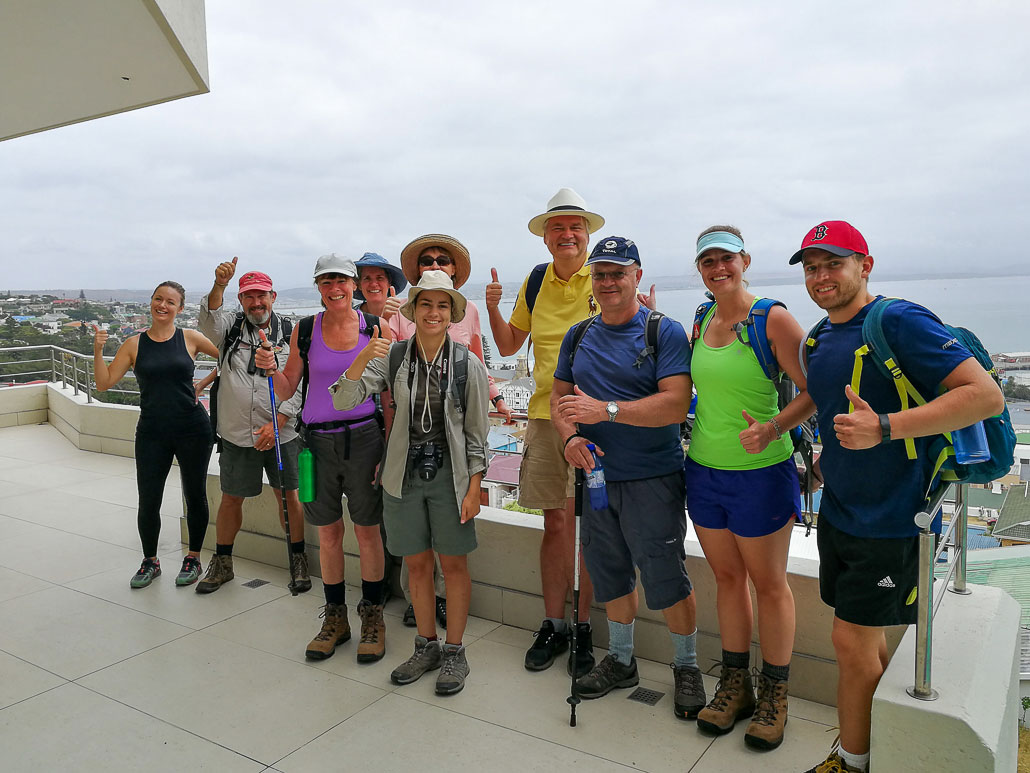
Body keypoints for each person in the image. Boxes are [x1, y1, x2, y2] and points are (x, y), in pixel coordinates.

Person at [791, 221, 1004, 773]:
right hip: (842, 510)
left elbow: (984, 395)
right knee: (862, 644)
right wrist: (814, 458)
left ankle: (851, 762)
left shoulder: (898, 321)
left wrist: (886, 427)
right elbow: (831, 407)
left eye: (833, 263)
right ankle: (875, 749)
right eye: (811, 267)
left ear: (865, 265)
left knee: (848, 641)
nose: (820, 276)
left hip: (892, 518)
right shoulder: (819, 336)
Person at [552, 236, 707, 718]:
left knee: (666, 576)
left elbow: (676, 404)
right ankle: (621, 661)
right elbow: (561, 401)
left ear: (637, 275)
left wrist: (607, 410)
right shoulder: (579, 335)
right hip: (596, 478)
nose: (609, 281)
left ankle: (687, 668)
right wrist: (569, 439)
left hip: (652, 478)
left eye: (618, 272)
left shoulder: (663, 331)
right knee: (610, 574)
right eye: (600, 274)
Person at [681, 226, 812, 750]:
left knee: (770, 584)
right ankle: (735, 686)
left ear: (745, 261)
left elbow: (815, 389)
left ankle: (775, 694)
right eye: (708, 261)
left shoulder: (772, 317)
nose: (718, 268)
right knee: (728, 579)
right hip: (704, 469)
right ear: (699, 268)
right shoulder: (702, 317)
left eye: (726, 259)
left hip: (761, 474)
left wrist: (773, 428)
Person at [332, 269, 489, 695]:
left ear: (452, 313)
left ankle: (455, 651)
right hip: (402, 475)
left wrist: (474, 487)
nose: (434, 312)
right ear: (414, 309)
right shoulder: (396, 357)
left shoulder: (466, 364)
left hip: (450, 477)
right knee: (417, 564)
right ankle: (427, 646)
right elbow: (343, 398)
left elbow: (477, 436)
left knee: (453, 566)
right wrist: (365, 355)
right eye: (426, 304)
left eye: (442, 305)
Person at [485, 187, 602, 678]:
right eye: (558, 227)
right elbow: (510, 346)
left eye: (575, 226)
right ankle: (554, 622)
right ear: (547, 237)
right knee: (556, 525)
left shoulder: (608, 276)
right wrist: (492, 305)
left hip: (599, 418)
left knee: (593, 529)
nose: (567, 233)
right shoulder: (536, 281)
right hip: (543, 414)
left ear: (587, 233)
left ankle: (585, 627)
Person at [254, 254, 388, 663]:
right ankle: (336, 618)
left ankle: (372, 617)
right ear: (318, 288)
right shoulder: (306, 330)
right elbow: (288, 384)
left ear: (355, 285)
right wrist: (269, 367)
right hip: (314, 446)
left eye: (342, 282)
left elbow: (387, 394)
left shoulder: (373, 328)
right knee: (327, 533)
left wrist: (391, 450)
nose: (335, 290)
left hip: (366, 441)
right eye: (327, 283)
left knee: (367, 532)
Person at [393, 234, 514, 628]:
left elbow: (476, 361)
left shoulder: (470, 312)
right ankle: (419, 604)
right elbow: (389, 379)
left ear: (455, 272)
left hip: (453, 445)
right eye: (426, 260)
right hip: (407, 445)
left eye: (442, 259)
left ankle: (442, 606)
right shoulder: (398, 315)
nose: (434, 264)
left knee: (451, 547)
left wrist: (496, 397)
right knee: (415, 550)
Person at [92, 281, 219, 588]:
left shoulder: (190, 337)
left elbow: (228, 358)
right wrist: (97, 349)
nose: (163, 305)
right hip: (152, 431)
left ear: (180, 308)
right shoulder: (134, 344)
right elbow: (104, 383)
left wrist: (204, 384)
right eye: (158, 299)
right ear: (150, 302)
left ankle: (193, 558)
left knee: (194, 495)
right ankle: (150, 562)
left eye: (170, 302)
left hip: (193, 428)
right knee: (149, 500)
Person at [195, 257, 309, 594]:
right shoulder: (229, 327)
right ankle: (223, 562)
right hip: (236, 433)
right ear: (240, 300)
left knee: (290, 497)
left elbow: (300, 383)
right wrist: (219, 284)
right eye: (249, 297)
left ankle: (298, 560)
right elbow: (208, 318)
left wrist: (279, 423)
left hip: (283, 434)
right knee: (231, 498)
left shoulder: (292, 332)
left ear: (273, 296)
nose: (256, 303)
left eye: (262, 296)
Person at [353, 251, 407, 320]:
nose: (373, 284)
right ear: (359, 285)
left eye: (379, 278)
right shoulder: (350, 317)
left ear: (389, 283)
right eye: (367, 278)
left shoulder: (405, 315)